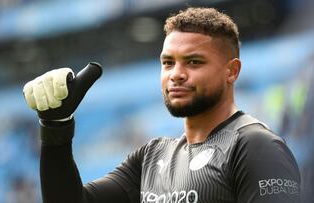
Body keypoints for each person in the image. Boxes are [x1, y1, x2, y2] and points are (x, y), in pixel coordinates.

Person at [23, 7, 300, 203]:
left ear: (232, 71)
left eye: (194, 62)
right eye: (168, 62)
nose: (176, 74)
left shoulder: (255, 147)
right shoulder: (152, 157)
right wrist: (56, 129)